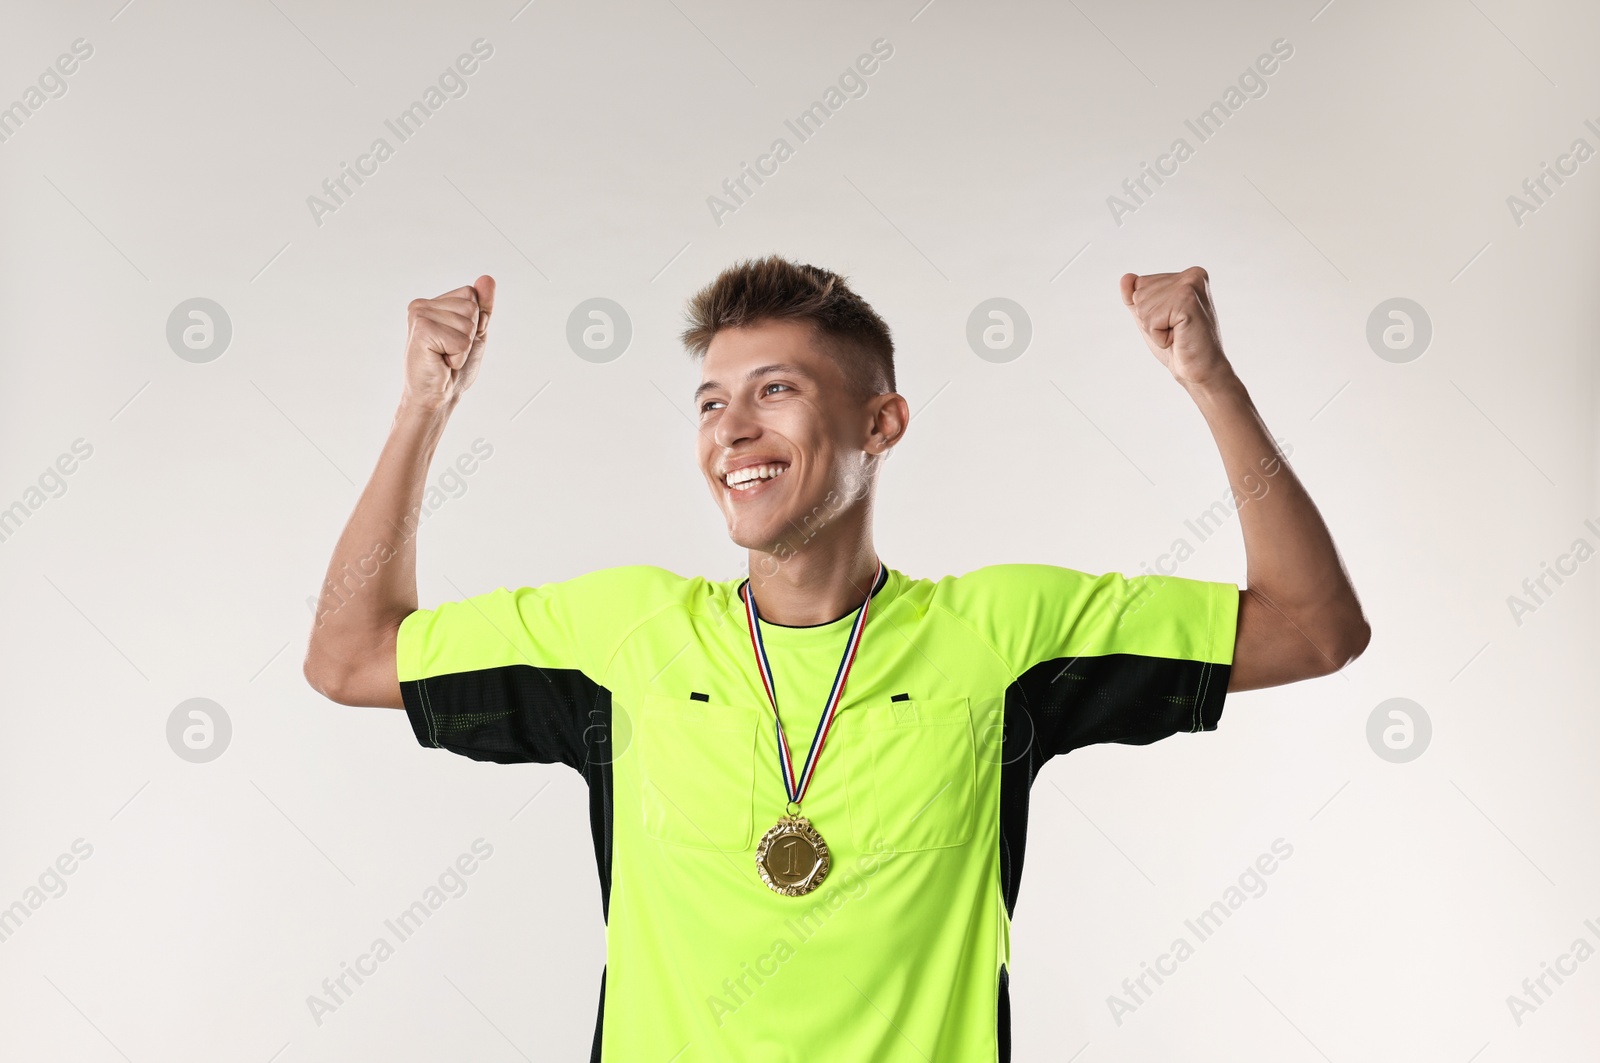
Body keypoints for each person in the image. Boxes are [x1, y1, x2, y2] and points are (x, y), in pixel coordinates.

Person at [303, 255, 1369, 1061]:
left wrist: (1210, 383)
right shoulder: (624, 636)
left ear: (882, 422)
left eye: (775, 390)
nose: (731, 429)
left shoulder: (1002, 635)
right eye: (712, 402)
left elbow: (1312, 626)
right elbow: (350, 656)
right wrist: (422, 408)